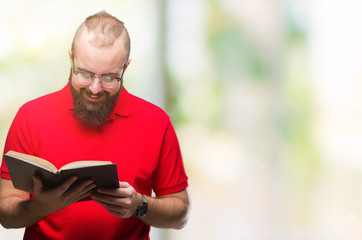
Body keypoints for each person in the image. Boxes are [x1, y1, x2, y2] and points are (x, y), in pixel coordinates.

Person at [0, 11, 190, 240]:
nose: (95, 88)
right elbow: (5, 214)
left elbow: (180, 214)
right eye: (85, 73)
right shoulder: (30, 117)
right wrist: (42, 206)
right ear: (71, 59)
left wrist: (140, 205)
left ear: (125, 68)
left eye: (110, 77)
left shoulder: (156, 122)